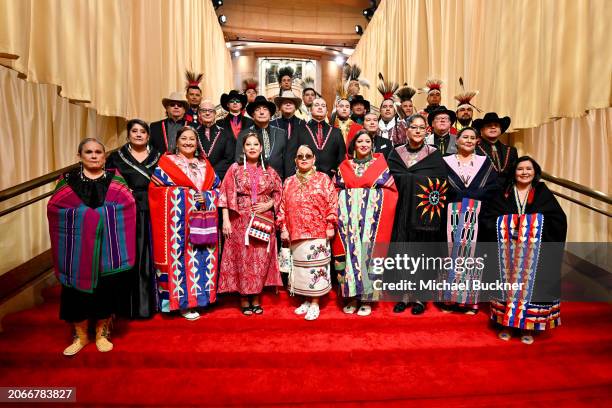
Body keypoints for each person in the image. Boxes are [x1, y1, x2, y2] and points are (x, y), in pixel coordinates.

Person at [48, 138, 136, 355]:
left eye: (98, 152)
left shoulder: (116, 179)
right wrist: (87, 217)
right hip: (76, 248)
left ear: (105, 156)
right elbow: (55, 208)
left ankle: (101, 332)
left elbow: (127, 206)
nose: (94, 155)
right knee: (75, 292)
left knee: (106, 288)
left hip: (108, 245)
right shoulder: (68, 180)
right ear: (80, 156)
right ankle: (80, 335)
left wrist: (101, 216)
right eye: (89, 152)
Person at [480, 156, 567, 344]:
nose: (524, 172)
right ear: (514, 172)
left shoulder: (543, 192)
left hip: (534, 255)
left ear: (535, 172)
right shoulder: (502, 192)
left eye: (529, 169)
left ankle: (528, 327)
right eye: (520, 169)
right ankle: (506, 324)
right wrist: (510, 224)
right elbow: (487, 218)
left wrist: (531, 225)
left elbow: (558, 220)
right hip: (506, 253)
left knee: (531, 289)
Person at [149, 126, 221, 321]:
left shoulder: (204, 164)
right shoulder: (167, 163)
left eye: (192, 139)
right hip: (177, 224)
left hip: (203, 220)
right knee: (180, 260)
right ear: (176, 141)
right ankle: (182, 303)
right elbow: (156, 191)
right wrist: (186, 195)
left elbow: (217, 190)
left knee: (203, 257)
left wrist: (206, 196)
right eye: (184, 138)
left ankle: (202, 299)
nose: (188, 142)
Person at [388, 114, 448, 315]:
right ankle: (404, 296)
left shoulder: (433, 155)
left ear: (426, 131)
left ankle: (421, 298)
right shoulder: (396, 154)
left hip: (424, 217)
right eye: (414, 127)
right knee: (403, 253)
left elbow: (441, 184)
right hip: (400, 213)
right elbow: (388, 181)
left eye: (421, 128)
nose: (417, 131)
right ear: (407, 130)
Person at [333, 131, 398, 316]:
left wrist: (365, 197)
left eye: (367, 141)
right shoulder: (345, 165)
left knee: (369, 255)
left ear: (372, 144)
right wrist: (349, 196)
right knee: (349, 258)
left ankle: (368, 298)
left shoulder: (380, 165)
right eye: (359, 141)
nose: (363, 144)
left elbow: (391, 192)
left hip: (372, 222)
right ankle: (351, 297)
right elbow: (336, 189)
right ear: (353, 145)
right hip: (348, 223)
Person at [218, 132, 283, 315]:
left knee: (260, 260)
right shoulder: (235, 169)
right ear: (244, 148)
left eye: (256, 144)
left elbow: (279, 192)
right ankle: (244, 298)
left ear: (261, 148)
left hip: (263, 220)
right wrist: (225, 221)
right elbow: (225, 194)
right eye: (249, 144)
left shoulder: (269, 170)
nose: (252, 147)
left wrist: (269, 204)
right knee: (243, 259)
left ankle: (256, 297)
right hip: (239, 220)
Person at [438, 127, 498, 314]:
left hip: (476, 216)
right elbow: (438, 186)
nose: (469, 140)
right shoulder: (444, 162)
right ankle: (447, 300)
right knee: (448, 256)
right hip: (449, 215)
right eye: (465, 137)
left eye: (473, 138)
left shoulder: (485, 163)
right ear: (456, 140)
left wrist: (474, 198)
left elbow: (493, 188)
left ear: (477, 142)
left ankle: (469, 302)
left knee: (472, 259)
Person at [106, 119, 161, 319]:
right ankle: (125, 307)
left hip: (152, 208)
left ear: (148, 135)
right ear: (128, 134)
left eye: (142, 132)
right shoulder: (116, 157)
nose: (138, 135)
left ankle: (148, 305)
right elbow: (108, 182)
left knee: (148, 256)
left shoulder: (158, 156)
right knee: (129, 256)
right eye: (134, 131)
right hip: (125, 211)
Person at [278, 145, 338, 320]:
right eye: (300, 156)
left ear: (314, 159)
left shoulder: (323, 179)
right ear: (295, 160)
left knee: (315, 268)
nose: (304, 158)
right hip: (295, 232)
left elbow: (332, 202)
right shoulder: (288, 181)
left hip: (318, 232)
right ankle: (305, 299)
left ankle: (315, 303)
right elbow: (282, 206)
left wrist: (330, 224)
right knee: (301, 270)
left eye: (308, 156)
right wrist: (283, 227)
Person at [235, 95, 295, 179]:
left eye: (265, 109)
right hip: (252, 181)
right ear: (253, 115)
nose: (261, 112)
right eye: (257, 109)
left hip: (278, 180)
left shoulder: (281, 133)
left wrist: (287, 181)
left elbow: (287, 161)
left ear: (270, 114)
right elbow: (239, 160)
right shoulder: (244, 134)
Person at [296, 97, 346, 178]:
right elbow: (292, 155)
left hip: (330, 177)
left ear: (326, 111)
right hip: (305, 176)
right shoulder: (300, 130)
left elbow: (341, 157)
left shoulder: (336, 132)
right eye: (316, 105)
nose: (320, 107)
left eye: (323, 106)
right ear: (311, 110)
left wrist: (337, 173)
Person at [473, 112, 518, 189]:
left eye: (496, 125)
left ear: (501, 129)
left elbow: (514, 175)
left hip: (506, 193)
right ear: (482, 130)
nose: (493, 127)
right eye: (489, 125)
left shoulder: (511, 151)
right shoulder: (474, 149)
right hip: (482, 192)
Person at [196, 99, 236, 182]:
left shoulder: (226, 134)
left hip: (219, 178)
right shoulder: (193, 133)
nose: (207, 113)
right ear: (199, 114)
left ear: (215, 114)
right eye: (204, 111)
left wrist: (212, 173)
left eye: (210, 111)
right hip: (197, 177)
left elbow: (229, 159)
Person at [377, 74, 403, 146]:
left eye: (391, 106)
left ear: (395, 111)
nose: (388, 109)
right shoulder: (374, 127)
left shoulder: (401, 128)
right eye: (385, 106)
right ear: (380, 110)